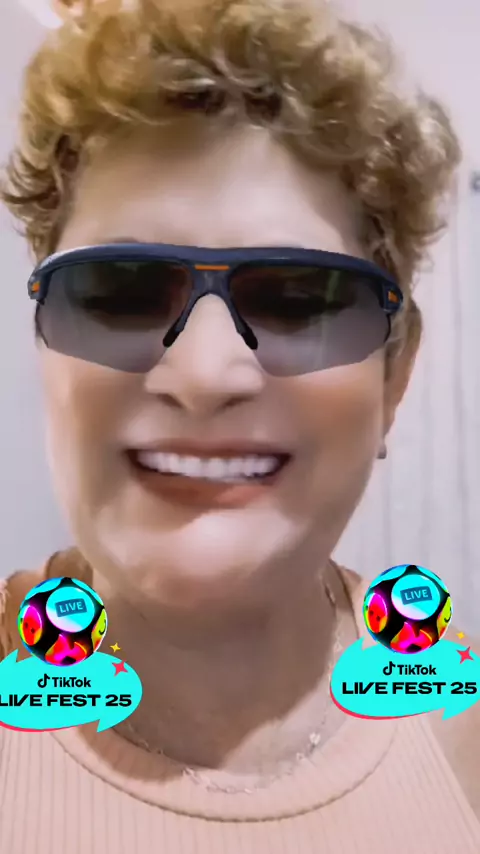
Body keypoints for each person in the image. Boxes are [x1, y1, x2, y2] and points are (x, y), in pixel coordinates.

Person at [0, 0, 478, 850]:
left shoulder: (459, 729)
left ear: (394, 379)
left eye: (299, 298)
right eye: (120, 290)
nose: (204, 375)